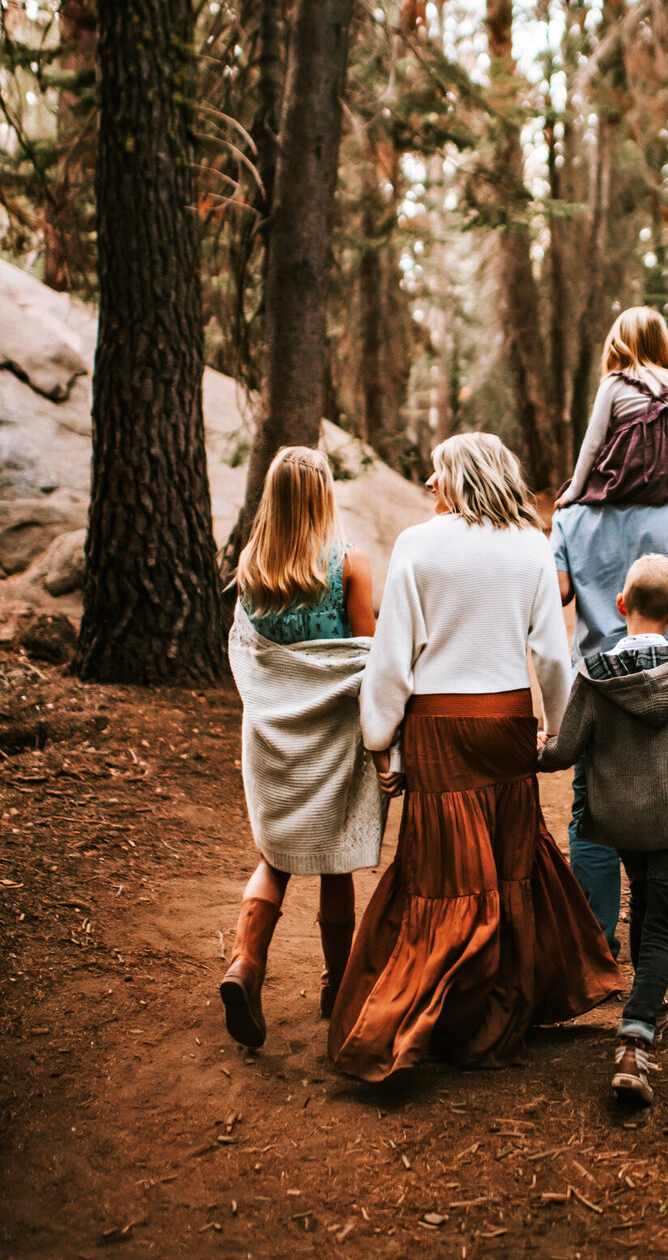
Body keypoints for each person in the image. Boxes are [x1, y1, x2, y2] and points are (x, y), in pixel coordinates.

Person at [328, 432, 620, 1081]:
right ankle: (500, 1020)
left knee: (446, 875)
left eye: (436, 472)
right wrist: (560, 732)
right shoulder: (530, 544)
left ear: (462, 475)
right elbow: (550, 652)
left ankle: (430, 1020)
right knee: (510, 863)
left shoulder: (418, 545)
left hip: (440, 729)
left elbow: (393, 655)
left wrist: (381, 738)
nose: (428, 484)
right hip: (509, 722)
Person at [539, 555, 668, 1106]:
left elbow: (566, 751)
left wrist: (527, 750)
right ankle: (636, 1037)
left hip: (616, 820)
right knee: (662, 923)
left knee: (644, 905)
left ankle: (653, 1002)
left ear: (621, 607)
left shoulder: (594, 675)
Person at [222, 446, 383, 1050]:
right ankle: (339, 983)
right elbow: (363, 658)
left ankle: (245, 964)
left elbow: (250, 653)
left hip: (269, 734)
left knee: (275, 856)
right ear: (323, 496)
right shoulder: (350, 565)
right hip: (332, 737)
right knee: (336, 856)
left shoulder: (251, 566)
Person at [553, 494, 668, 954]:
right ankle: (654, 930)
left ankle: (596, 944)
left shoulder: (570, 516)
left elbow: (555, 593)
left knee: (590, 811)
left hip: (598, 681)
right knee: (665, 791)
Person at [555, 306, 668, 563]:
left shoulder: (614, 383)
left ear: (621, 342)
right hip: (664, 483)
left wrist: (575, 490)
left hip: (623, 479)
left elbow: (594, 442)